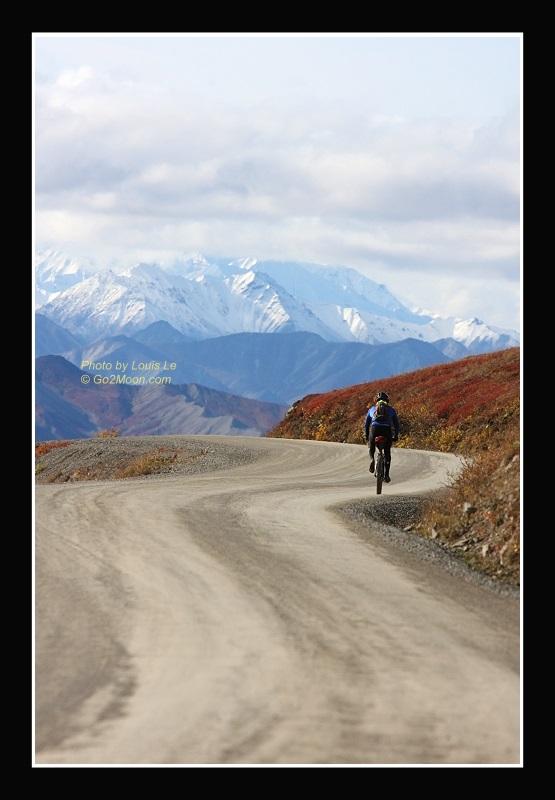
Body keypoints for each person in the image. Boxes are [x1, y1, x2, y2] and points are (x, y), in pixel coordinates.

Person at [364, 390, 400, 483]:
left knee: (371, 446)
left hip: (375, 429)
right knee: (387, 452)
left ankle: (372, 459)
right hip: (386, 430)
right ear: (387, 401)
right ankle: (387, 475)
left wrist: (367, 436)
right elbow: (396, 425)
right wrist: (395, 436)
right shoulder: (391, 410)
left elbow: (366, 424)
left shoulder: (372, 409)